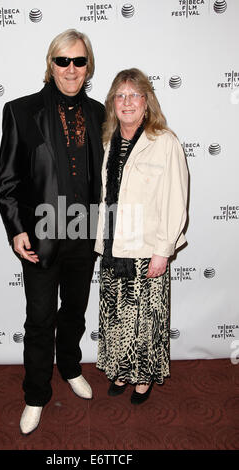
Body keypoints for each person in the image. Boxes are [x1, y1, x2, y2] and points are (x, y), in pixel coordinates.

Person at [0, 29, 104, 434]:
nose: (71, 69)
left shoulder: (99, 113)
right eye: (63, 61)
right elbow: (7, 182)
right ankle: (36, 394)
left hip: (85, 235)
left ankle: (72, 367)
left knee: (74, 310)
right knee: (40, 318)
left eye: (78, 61)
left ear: (87, 65)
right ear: (50, 64)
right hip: (41, 234)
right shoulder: (20, 112)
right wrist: (15, 229)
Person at [94, 68, 188, 404]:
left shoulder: (164, 142)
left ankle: (144, 377)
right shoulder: (105, 142)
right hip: (112, 246)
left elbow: (176, 201)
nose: (127, 102)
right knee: (116, 314)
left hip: (147, 248)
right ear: (112, 104)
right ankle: (119, 369)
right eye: (120, 95)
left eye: (134, 95)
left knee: (145, 319)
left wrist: (163, 250)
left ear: (146, 102)